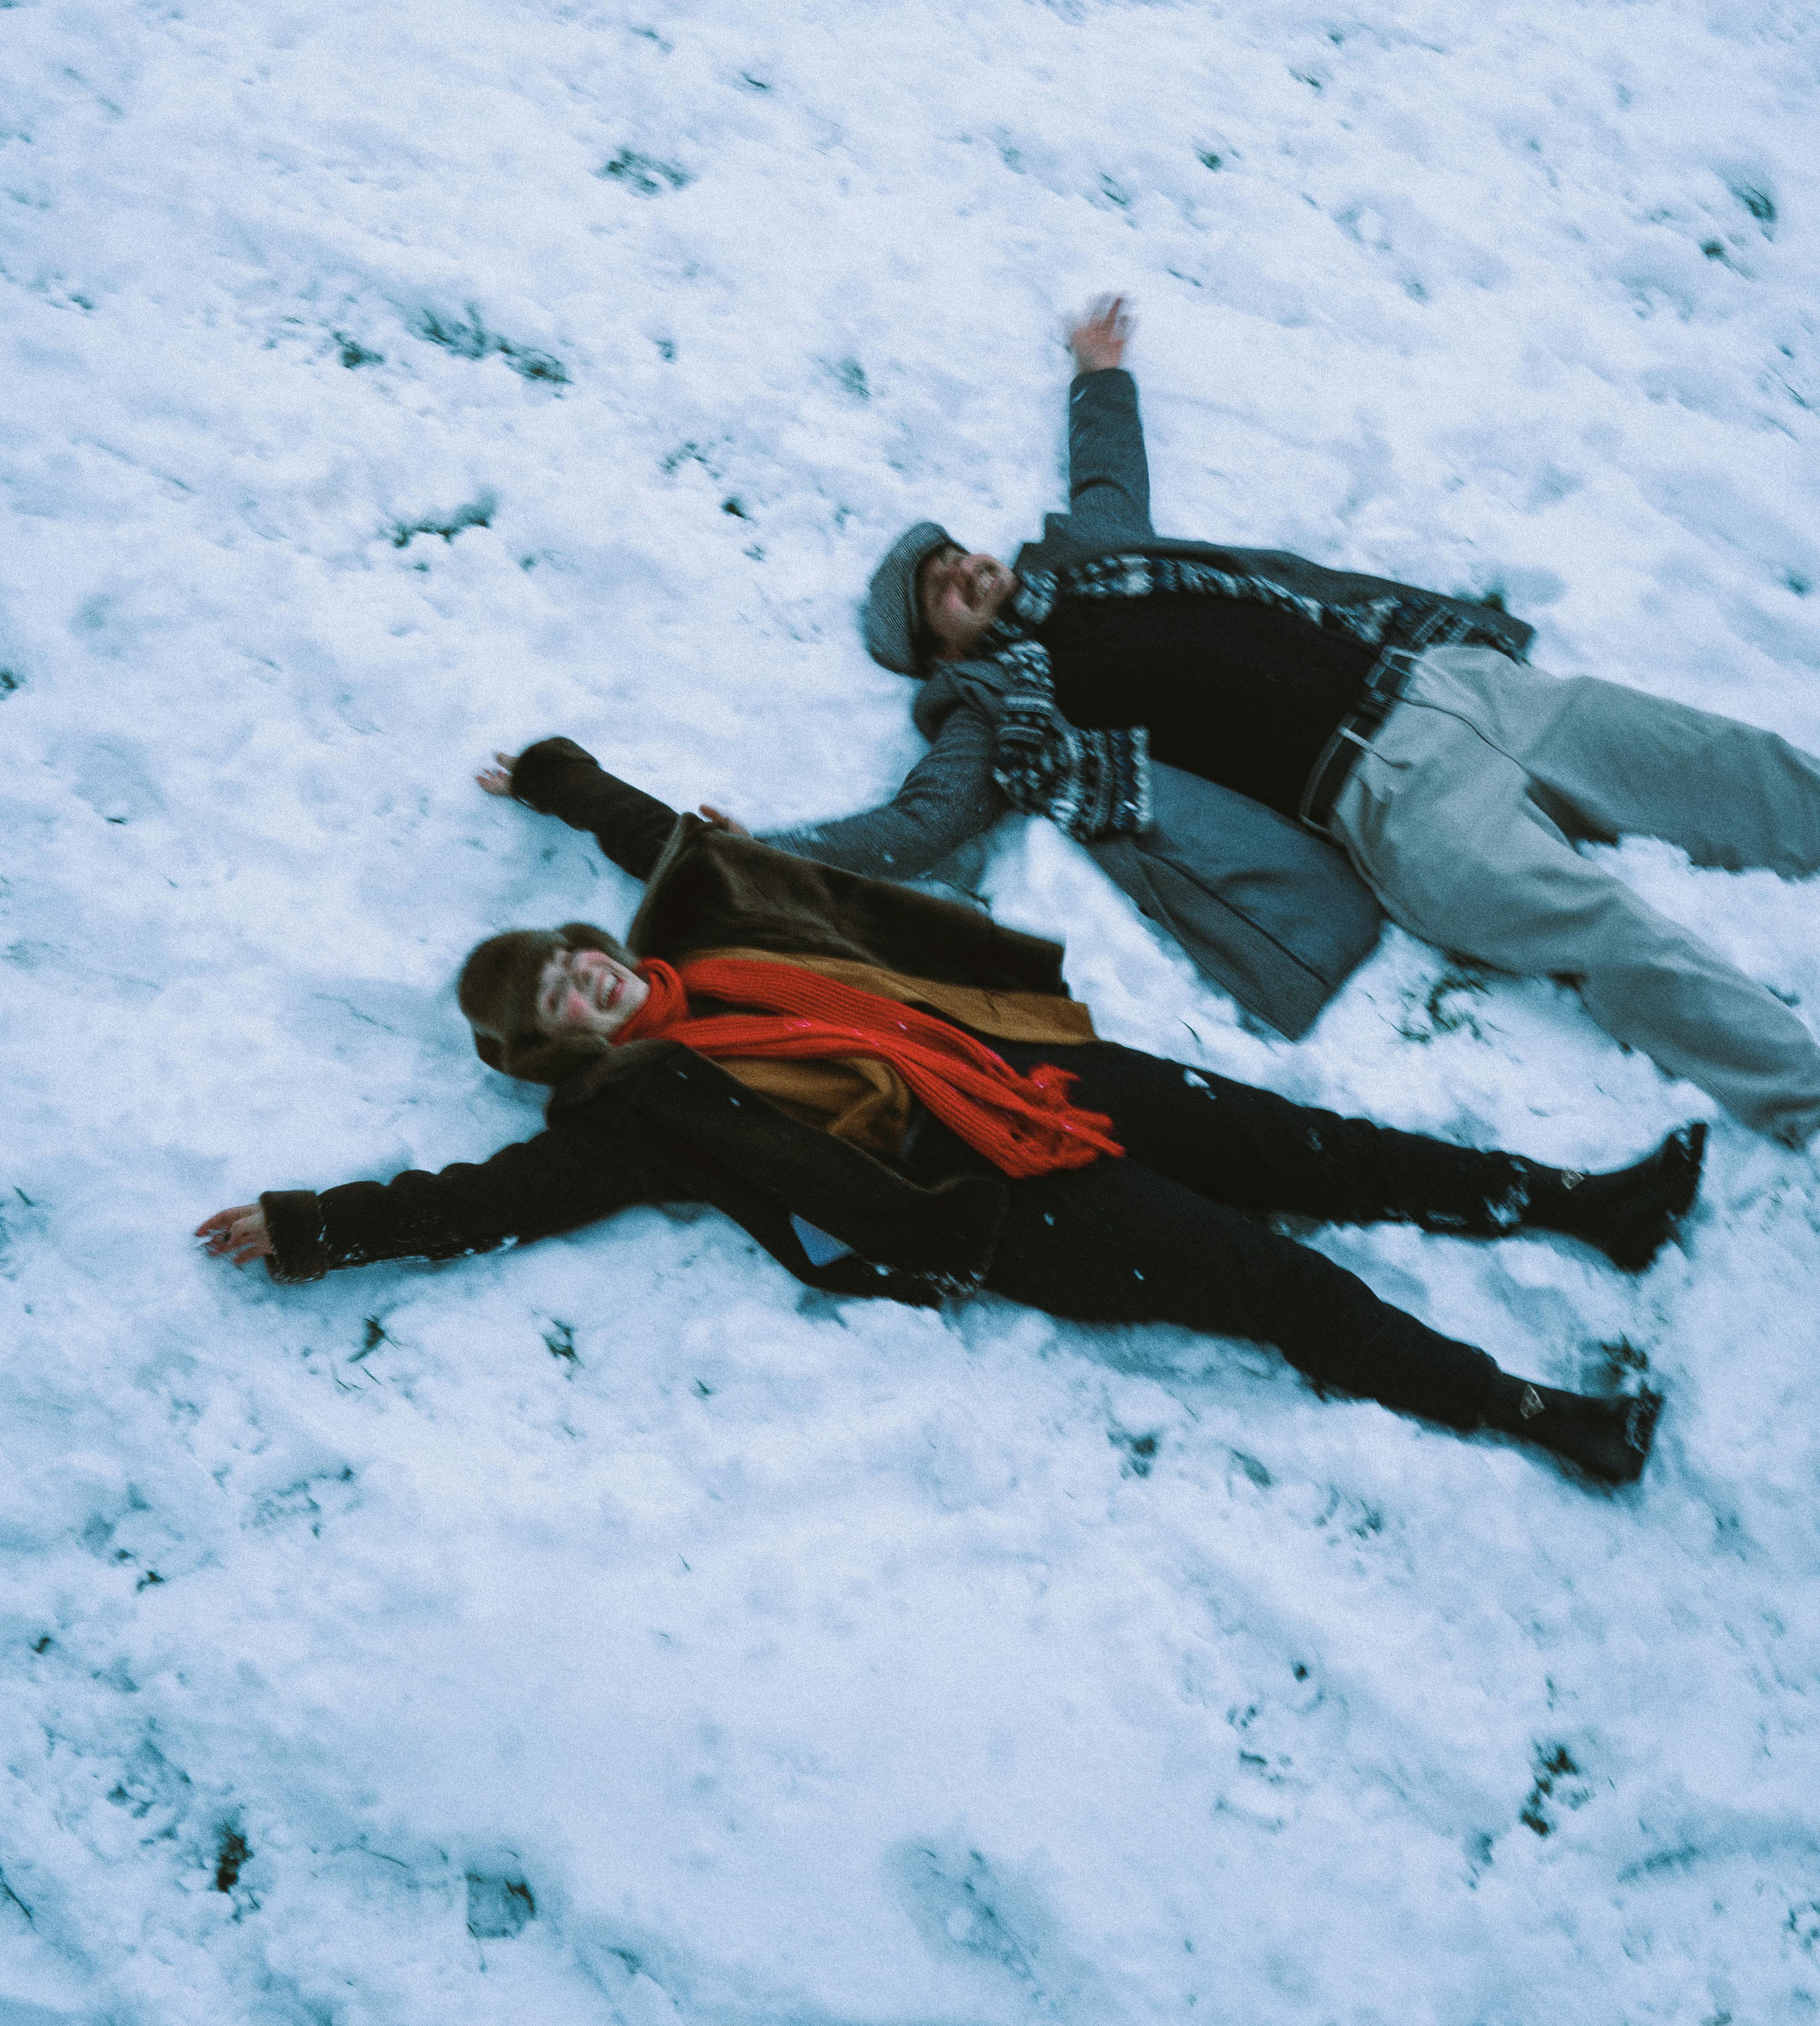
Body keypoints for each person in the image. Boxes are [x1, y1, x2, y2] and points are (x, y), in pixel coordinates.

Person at [199, 766, 1700, 1484]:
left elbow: (666, 840)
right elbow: (493, 1197)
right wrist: (326, 1228)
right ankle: (1545, 1419)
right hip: (1004, 1205)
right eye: (560, 1008)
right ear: (561, 1051)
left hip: (1041, 1081)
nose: (584, 984)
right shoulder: (636, 1117)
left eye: (567, 960)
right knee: (1278, 1285)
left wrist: (558, 776)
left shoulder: (705, 937)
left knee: (1323, 1151)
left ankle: (1583, 1204)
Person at [723, 294, 1820, 1147]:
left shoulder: (1087, 561)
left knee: (1736, 765)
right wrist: (750, 857)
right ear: (940, 650)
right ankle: (1802, 1097)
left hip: (1453, 688)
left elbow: (1105, 474)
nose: (963, 567)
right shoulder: (1001, 714)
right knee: (1613, 937)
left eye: (952, 552)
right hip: (1391, 805)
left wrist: (1096, 371)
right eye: (938, 591)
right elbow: (915, 826)